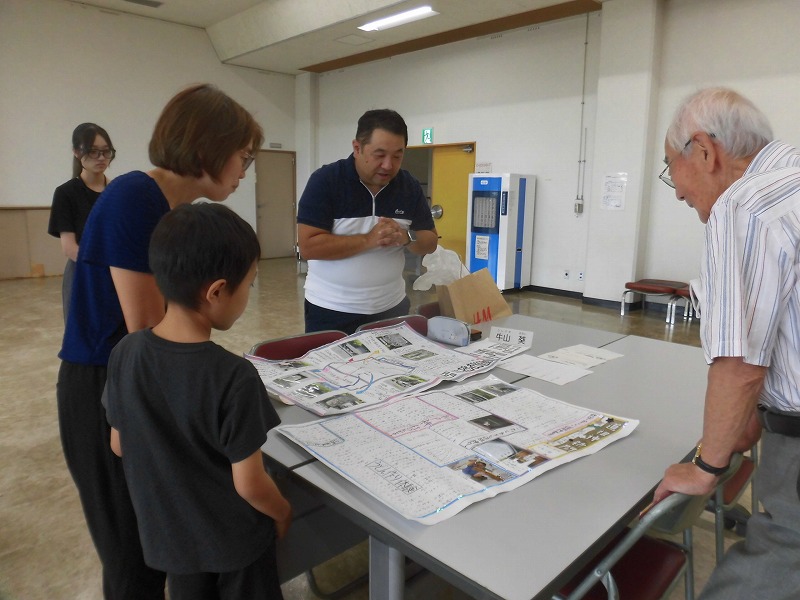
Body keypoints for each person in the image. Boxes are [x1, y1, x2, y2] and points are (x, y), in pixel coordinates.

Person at [57, 83, 263, 599]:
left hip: (136, 380)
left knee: (157, 544)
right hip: (105, 385)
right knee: (132, 556)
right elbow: (149, 331)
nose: (245, 171)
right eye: (242, 157)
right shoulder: (134, 198)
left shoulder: (168, 208)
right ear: (207, 150)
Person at [652, 87, 800, 599]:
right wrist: (741, 430)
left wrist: (706, 466)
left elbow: (741, 362)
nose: (676, 192)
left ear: (705, 151)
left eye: (673, 171)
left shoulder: (744, 206)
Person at [104, 203, 292, 599]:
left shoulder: (125, 353)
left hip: (171, 544)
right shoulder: (233, 377)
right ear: (217, 291)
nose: (249, 294)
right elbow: (250, 485)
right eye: (250, 283)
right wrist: (283, 511)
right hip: (236, 546)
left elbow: (119, 444)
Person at [297, 108, 438, 334]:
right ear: (357, 148)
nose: (388, 165)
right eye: (379, 154)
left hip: (392, 307)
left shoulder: (408, 186)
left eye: (397, 156)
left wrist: (405, 237)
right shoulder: (326, 181)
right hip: (332, 310)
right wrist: (368, 240)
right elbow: (308, 246)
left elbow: (430, 241)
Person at [47, 123, 116, 321]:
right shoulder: (66, 193)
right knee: (83, 334)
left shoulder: (118, 190)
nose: (102, 158)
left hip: (118, 274)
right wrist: (104, 267)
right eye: (93, 152)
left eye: (106, 152)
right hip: (83, 274)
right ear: (77, 152)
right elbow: (69, 247)